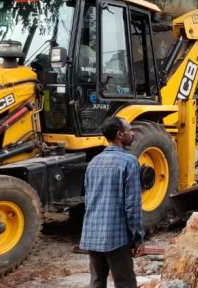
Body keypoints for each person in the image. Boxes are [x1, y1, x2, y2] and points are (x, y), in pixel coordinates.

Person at [80, 116, 145, 288]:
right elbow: (132, 206)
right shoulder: (129, 162)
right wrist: (137, 237)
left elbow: (88, 200)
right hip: (117, 236)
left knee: (96, 282)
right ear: (119, 134)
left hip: (93, 233)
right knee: (125, 283)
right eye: (129, 130)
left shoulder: (94, 162)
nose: (132, 134)